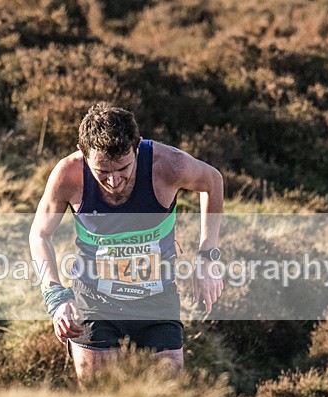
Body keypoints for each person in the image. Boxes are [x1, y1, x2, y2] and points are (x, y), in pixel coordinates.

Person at [29, 102, 224, 382]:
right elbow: (39, 233)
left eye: (123, 168)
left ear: (137, 147)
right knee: (99, 395)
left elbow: (213, 181)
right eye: (102, 172)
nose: (114, 180)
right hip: (95, 297)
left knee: (167, 395)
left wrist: (207, 256)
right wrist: (55, 296)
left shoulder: (168, 165)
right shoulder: (68, 175)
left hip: (157, 297)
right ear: (83, 155)